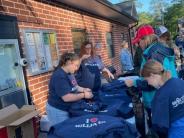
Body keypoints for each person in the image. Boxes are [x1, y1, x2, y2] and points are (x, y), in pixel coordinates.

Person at [125, 24, 178, 127]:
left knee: (160, 130)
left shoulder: (153, 53)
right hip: (161, 99)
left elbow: (155, 81)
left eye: (139, 41)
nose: (138, 44)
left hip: (158, 101)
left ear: (145, 39)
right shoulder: (156, 50)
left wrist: (134, 82)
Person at [46, 52, 93, 126]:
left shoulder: (69, 73)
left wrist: (84, 89)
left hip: (67, 109)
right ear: (69, 62)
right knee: (61, 132)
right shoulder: (59, 76)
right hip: (58, 111)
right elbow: (66, 97)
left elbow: (76, 87)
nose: (77, 68)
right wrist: (84, 95)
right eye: (76, 65)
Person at [141, 60, 184, 138]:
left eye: (147, 80)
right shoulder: (179, 82)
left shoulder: (160, 96)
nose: (148, 83)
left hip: (177, 133)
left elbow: (159, 127)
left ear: (152, 75)